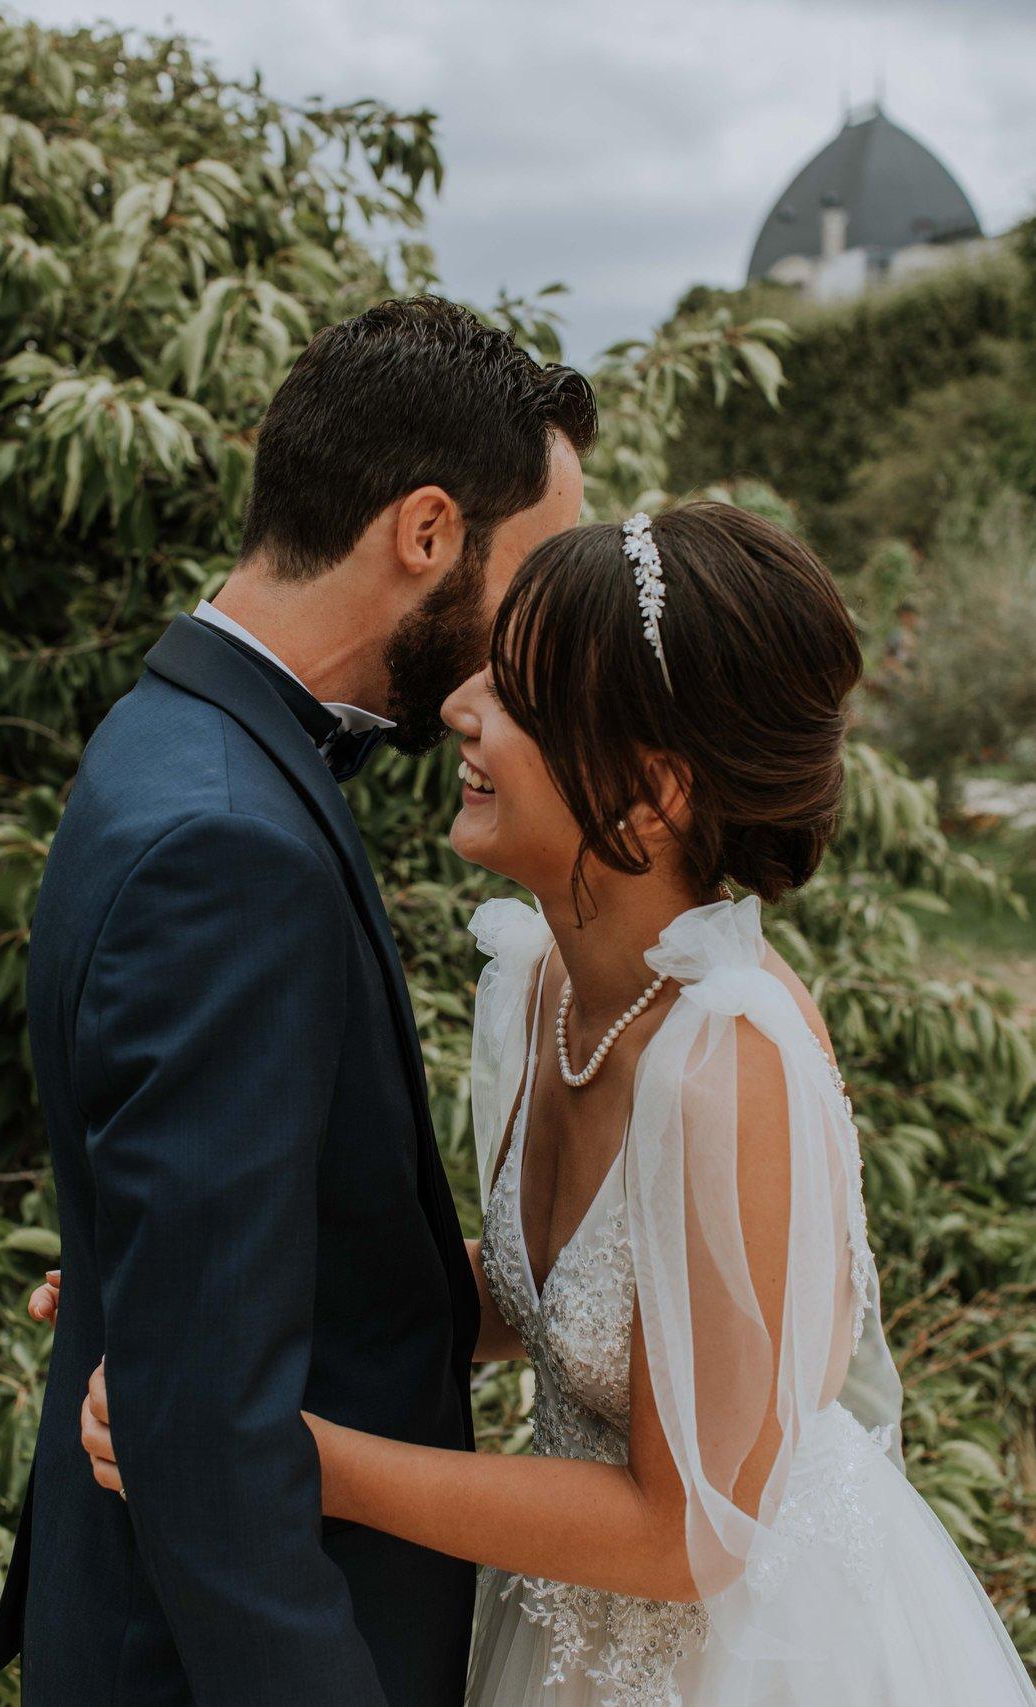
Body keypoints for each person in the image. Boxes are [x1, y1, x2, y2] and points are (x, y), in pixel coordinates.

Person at [60, 501, 1036, 1704]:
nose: (461, 708)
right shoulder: (535, 984)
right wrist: (191, 1294)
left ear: (649, 795)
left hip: (744, 1651)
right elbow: (545, 1297)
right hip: (563, 1621)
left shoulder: (729, 1060)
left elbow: (688, 1540)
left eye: (516, 696)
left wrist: (300, 1460)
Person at [0, 296, 595, 1706]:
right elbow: (208, 1431)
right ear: (427, 532)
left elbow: (224, 1267)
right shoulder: (228, 843)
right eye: (536, 570)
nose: (540, 626)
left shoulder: (175, 737)